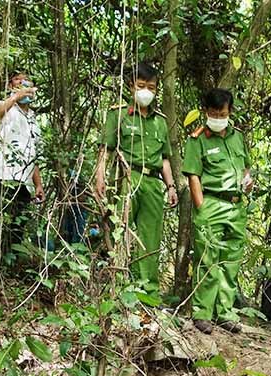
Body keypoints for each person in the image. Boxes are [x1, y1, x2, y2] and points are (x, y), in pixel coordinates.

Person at [93, 62, 178, 297]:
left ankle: (148, 292)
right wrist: (100, 176)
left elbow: (164, 159)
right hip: (126, 178)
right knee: (121, 231)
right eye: (141, 86)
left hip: (152, 182)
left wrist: (171, 186)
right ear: (130, 86)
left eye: (151, 87)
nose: (146, 91)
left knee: (150, 236)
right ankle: (119, 287)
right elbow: (105, 149)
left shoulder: (159, 121)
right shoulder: (118, 114)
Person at [182, 88, 254, 335]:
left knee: (230, 261)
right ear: (206, 112)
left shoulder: (237, 137)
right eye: (213, 113)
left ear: (229, 112)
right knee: (207, 260)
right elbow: (193, 175)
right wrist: (201, 208)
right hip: (211, 204)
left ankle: (225, 313)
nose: (217, 117)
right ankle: (202, 313)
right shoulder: (197, 139)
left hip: (236, 206)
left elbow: (245, 169)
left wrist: (248, 180)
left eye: (221, 113)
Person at [0, 71, 44, 258]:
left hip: (24, 182)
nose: (23, 82)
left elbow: (33, 152)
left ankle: (10, 268)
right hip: (1, 176)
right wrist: (16, 96)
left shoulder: (34, 118)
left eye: (27, 79)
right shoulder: (6, 108)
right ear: (11, 85)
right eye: (18, 79)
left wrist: (38, 184)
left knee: (16, 229)